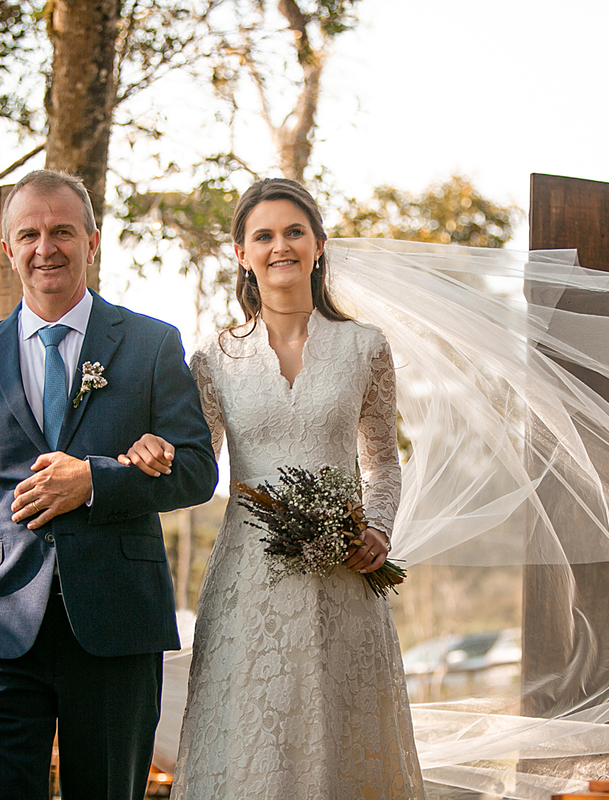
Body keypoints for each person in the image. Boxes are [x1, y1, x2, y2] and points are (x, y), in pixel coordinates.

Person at [0, 169, 218, 800]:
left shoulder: (152, 344)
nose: (45, 247)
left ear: (92, 242)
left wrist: (97, 480)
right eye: (29, 234)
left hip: (115, 622)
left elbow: (195, 469)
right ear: (8, 250)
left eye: (62, 232)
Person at [122, 178, 426, 798]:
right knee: (251, 735)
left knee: (342, 735)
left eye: (294, 232)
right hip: (248, 576)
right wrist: (149, 450)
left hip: (344, 575)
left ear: (318, 245)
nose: (279, 246)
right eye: (264, 235)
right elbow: (194, 462)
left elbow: (383, 463)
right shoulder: (214, 358)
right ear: (242, 253)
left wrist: (377, 528)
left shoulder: (365, 347)